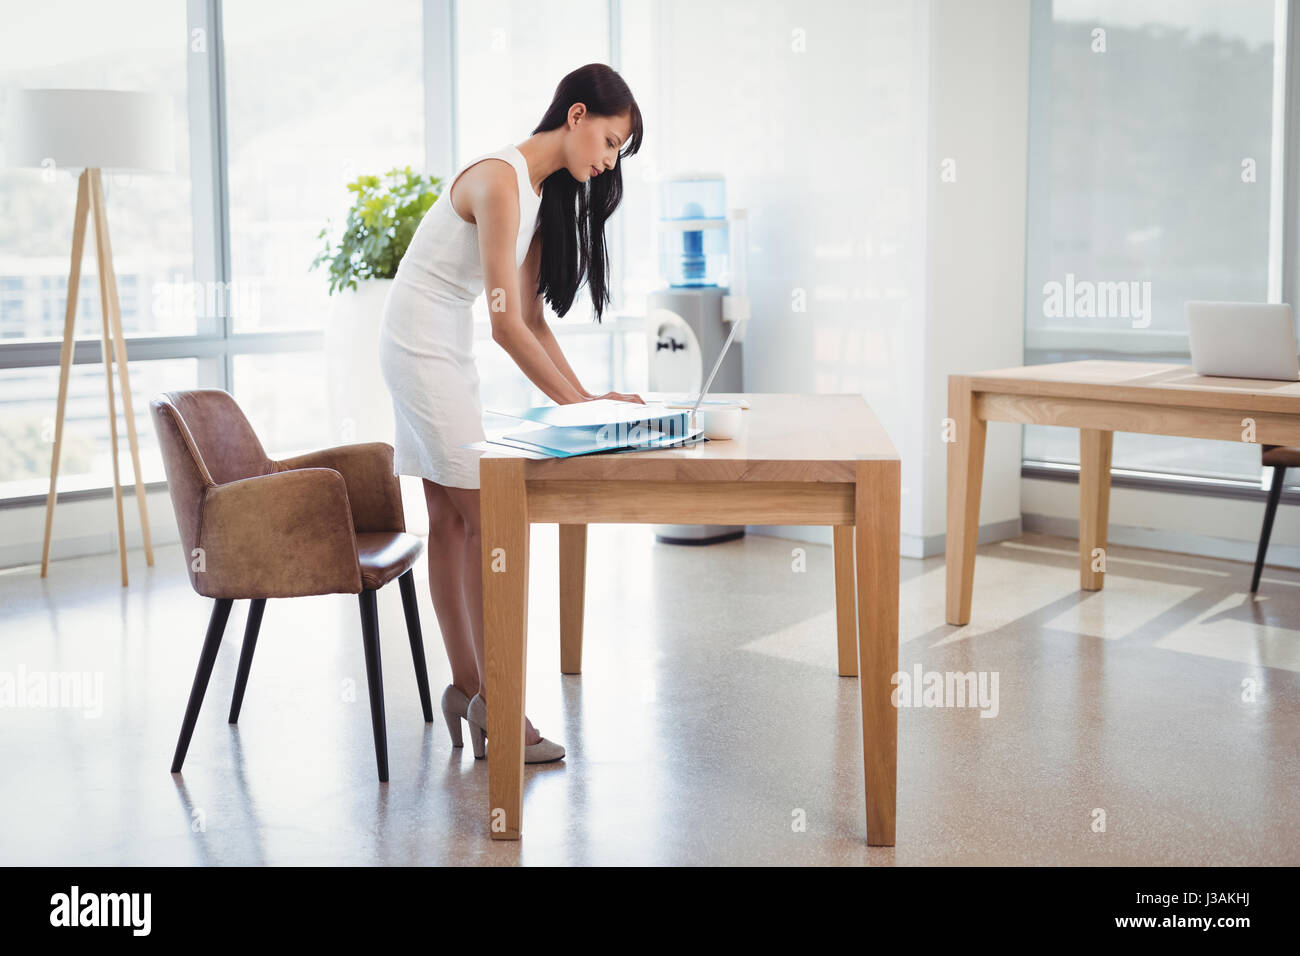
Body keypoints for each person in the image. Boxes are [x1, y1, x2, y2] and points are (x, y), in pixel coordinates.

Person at [378, 63, 645, 764]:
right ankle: (501, 704)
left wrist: (589, 399)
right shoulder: (501, 178)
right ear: (578, 114)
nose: (609, 160)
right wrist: (580, 409)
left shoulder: (538, 192)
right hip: (418, 344)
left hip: (441, 343)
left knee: (449, 519)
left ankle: (468, 690)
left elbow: (529, 317)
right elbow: (504, 328)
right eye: (612, 142)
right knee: (488, 516)